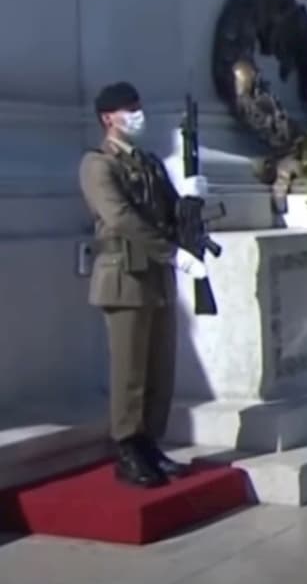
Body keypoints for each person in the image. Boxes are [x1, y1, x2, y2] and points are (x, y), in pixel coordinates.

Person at [79, 82, 208, 488]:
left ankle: (150, 442)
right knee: (130, 370)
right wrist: (172, 253)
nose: (138, 114)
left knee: (159, 369)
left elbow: (168, 212)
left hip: (155, 278)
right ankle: (127, 448)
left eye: (138, 106)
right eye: (128, 109)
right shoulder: (98, 164)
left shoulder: (149, 162)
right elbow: (121, 218)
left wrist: (189, 198)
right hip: (125, 276)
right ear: (108, 118)